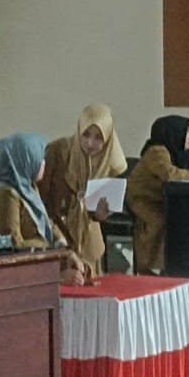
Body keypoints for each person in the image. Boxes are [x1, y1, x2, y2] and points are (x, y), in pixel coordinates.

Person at [0, 133, 90, 284]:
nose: (44, 164)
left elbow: (47, 224)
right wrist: (56, 274)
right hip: (3, 278)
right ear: (25, 160)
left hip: (32, 271)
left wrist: (66, 252)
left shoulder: (27, 187)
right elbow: (12, 247)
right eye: (40, 159)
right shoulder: (2, 193)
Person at [40, 104, 128, 279]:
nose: (90, 143)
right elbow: (42, 196)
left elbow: (95, 211)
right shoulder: (58, 151)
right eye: (86, 134)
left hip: (89, 243)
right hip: (58, 236)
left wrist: (100, 214)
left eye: (98, 138)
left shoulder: (108, 161)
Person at [125, 115, 189, 274]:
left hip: (165, 198)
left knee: (183, 220)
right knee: (160, 220)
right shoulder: (157, 151)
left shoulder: (180, 149)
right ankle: (148, 266)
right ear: (173, 133)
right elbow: (171, 175)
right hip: (143, 198)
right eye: (186, 133)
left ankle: (175, 265)